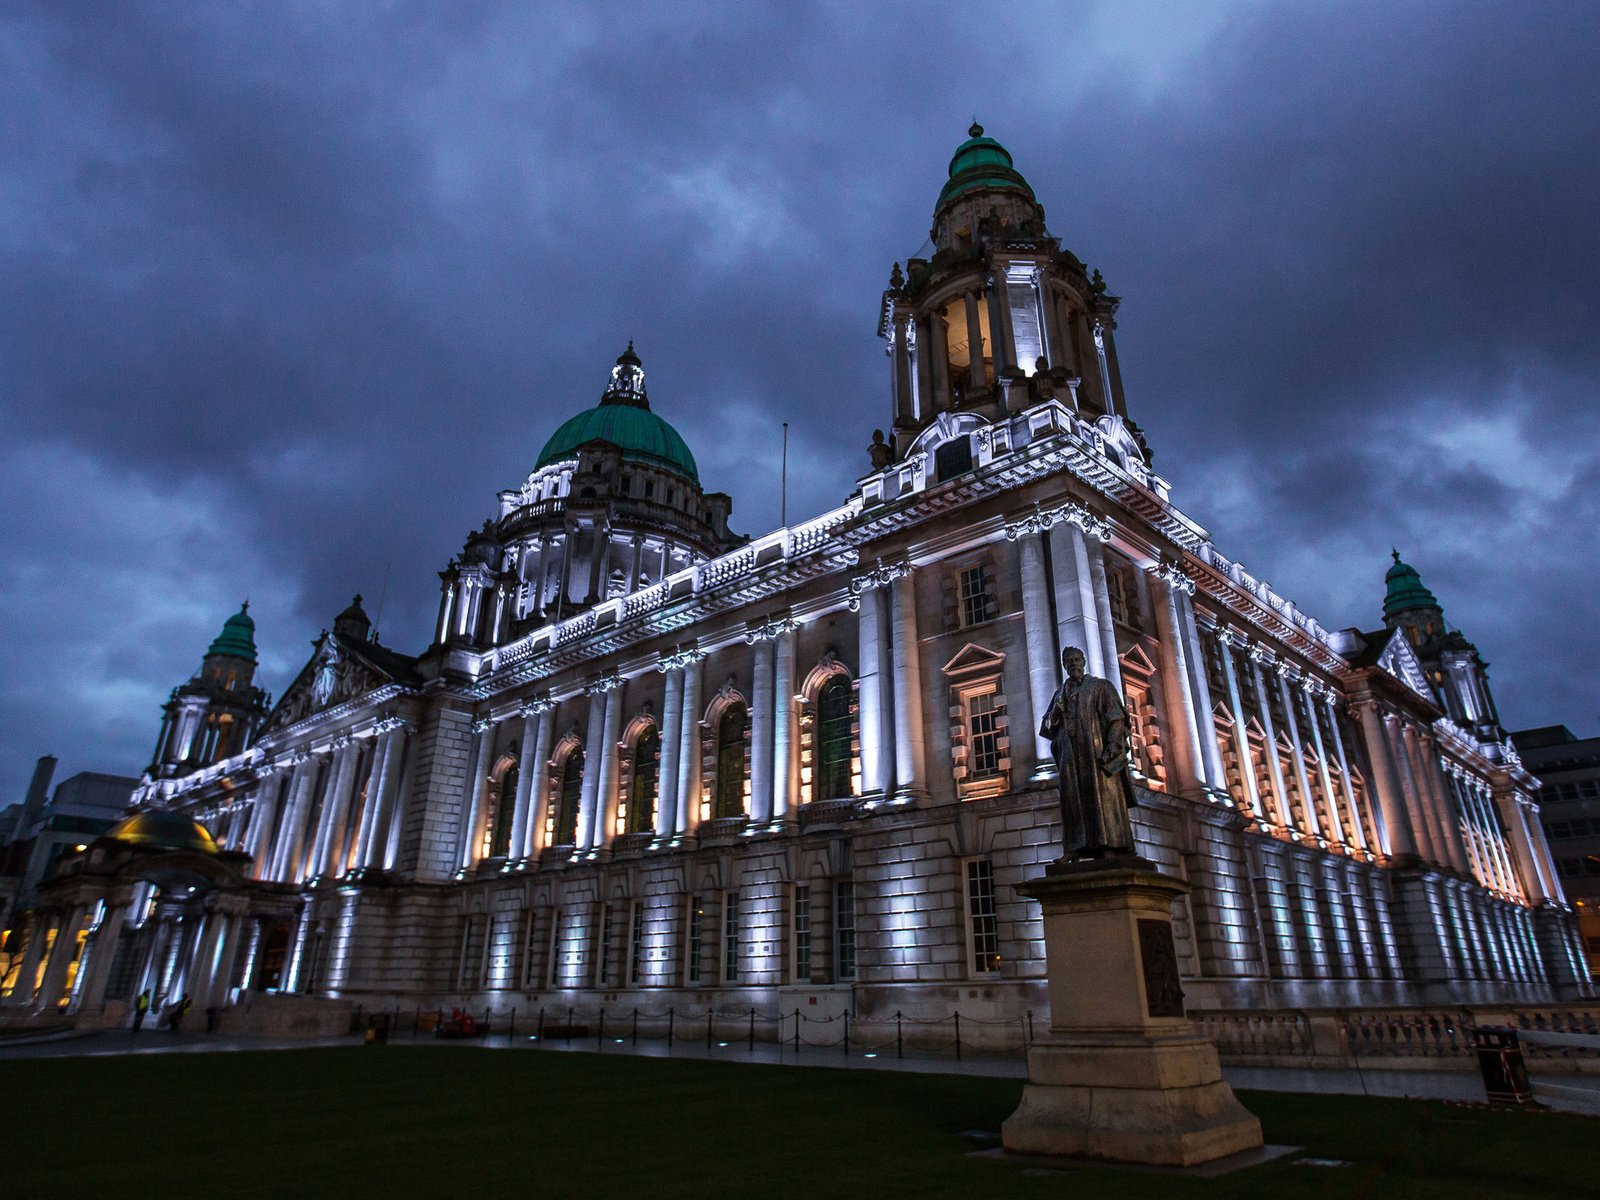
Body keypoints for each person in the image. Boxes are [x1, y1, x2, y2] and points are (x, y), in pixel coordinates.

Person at [1039, 645, 1139, 858]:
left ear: (1084, 662)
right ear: (1065, 666)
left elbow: (1116, 718)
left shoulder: (1101, 687)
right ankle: (1075, 847)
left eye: (1076, 659)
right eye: (1069, 661)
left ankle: (1109, 845)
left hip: (1096, 754)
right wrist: (1055, 713)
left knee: (1101, 799)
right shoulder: (1059, 694)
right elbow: (1046, 729)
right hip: (1070, 756)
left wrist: (1112, 746)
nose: (1073, 663)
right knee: (1073, 801)